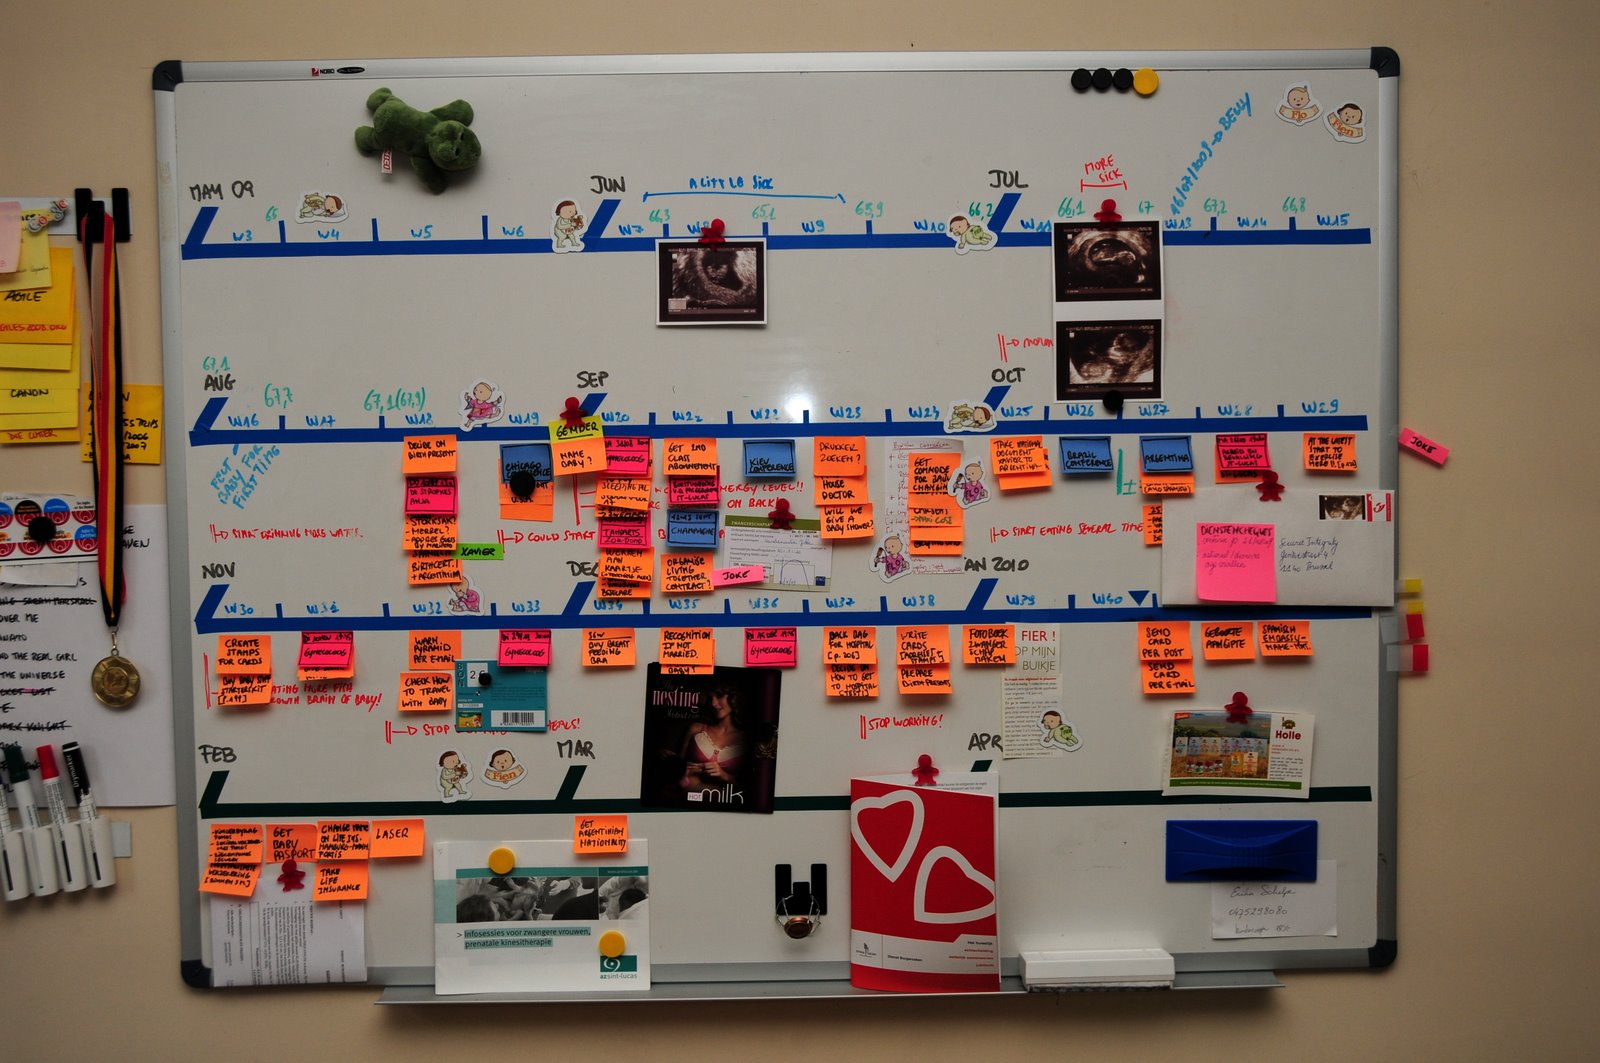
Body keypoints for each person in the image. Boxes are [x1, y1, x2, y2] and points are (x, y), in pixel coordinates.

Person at [680, 685, 748, 790]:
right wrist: (668, 759)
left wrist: (725, 776)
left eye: (719, 696)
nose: (713, 703)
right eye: (710, 698)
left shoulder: (746, 739)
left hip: (723, 798)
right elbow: (678, 767)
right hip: (684, 795)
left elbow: (751, 787)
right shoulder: (696, 729)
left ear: (733, 697)